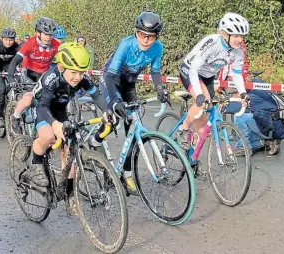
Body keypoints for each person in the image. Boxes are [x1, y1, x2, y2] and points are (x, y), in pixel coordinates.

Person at [26, 42, 111, 215]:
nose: (77, 77)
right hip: (42, 108)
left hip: (60, 110)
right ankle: (35, 163)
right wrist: (54, 124)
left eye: (81, 73)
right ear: (61, 67)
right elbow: (43, 107)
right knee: (49, 136)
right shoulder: (51, 78)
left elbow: (96, 95)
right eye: (73, 72)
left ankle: (70, 194)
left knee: (70, 149)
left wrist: (107, 111)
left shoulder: (82, 78)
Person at [91, 11, 167, 196]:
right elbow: (109, 75)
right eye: (142, 35)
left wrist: (160, 88)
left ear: (157, 37)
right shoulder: (126, 44)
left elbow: (155, 72)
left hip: (129, 84)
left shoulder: (158, 48)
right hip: (111, 80)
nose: (146, 40)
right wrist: (116, 101)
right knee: (113, 120)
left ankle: (126, 174)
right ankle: (94, 142)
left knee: (134, 129)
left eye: (151, 37)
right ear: (136, 32)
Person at [176, 12, 250, 151]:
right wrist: (198, 94)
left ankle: (191, 157)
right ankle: (183, 129)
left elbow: (236, 74)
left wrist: (243, 94)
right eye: (236, 36)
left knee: (203, 129)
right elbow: (194, 69)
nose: (240, 39)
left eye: (241, 36)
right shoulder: (212, 42)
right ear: (224, 33)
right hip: (191, 71)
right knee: (204, 100)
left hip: (208, 77)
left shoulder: (238, 51)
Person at [7, 17, 60, 135]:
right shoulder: (30, 43)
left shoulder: (55, 44)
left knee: (51, 99)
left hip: (45, 74)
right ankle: (15, 117)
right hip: (29, 73)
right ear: (38, 33)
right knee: (29, 98)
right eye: (46, 34)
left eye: (51, 34)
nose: (49, 37)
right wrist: (10, 77)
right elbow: (15, 61)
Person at [0, 27, 20, 129]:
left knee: (18, 86)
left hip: (10, 70)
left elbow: (23, 58)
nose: (8, 42)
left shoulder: (16, 47)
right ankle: (0, 116)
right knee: (1, 89)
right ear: (1, 38)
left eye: (11, 40)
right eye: (6, 39)